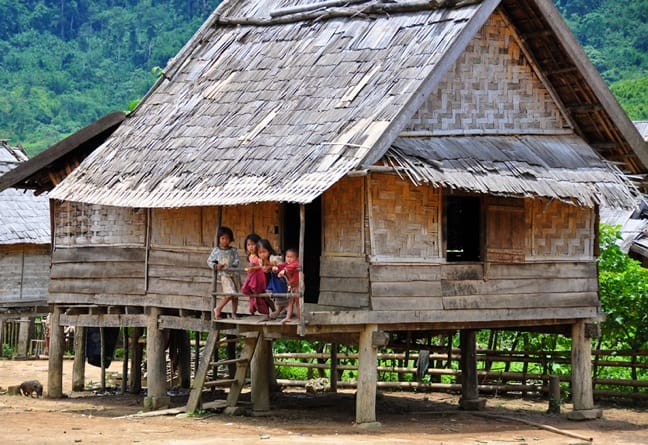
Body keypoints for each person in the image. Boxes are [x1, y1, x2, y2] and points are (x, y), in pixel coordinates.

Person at [207, 226, 241, 319]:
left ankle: (234, 313)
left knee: (235, 296)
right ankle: (218, 308)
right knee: (230, 293)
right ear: (218, 239)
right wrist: (216, 266)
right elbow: (209, 261)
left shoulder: (233, 250)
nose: (225, 240)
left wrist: (231, 266)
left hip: (235, 275)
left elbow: (237, 261)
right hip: (224, 275)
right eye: (222, 238)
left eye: (227, 238)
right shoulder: (216, 250)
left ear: (231, 239)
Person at [274, 248, 300, 323]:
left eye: (291, 257)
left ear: (296, 258)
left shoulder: (296, 264)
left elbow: (291, 267)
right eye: (287, 256)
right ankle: (288, 317)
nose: (289, 259)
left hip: (298, 286)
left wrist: (284, 270)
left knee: (298, 303)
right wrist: (276, 268)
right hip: (291, 286)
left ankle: (300, 318)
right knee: (290, 302)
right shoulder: (286, 264)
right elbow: (281, 266)